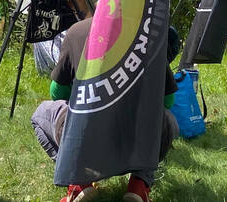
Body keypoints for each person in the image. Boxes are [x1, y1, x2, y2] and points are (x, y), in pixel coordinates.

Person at [31, 17, 179, 202]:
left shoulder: (76, 31)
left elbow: (57, 93)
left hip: (85, 140)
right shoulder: (148, 35)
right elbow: (168, 100)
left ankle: (79, 183)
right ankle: (139, 185)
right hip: (134, 142)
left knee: (40, 114)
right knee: (167, 120)